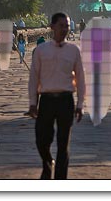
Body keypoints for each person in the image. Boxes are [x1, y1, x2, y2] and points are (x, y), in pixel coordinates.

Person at [27, 13, 86, 180]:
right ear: (52, 27)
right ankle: (47, 163)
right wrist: (33, 103)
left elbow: (80, 78)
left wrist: (80, 104)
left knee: (63, 142)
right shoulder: (41, 50)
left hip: (65, 99)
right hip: (46, 99)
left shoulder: (74, 50)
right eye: (61, 26)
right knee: (42, 139)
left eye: (67, 26)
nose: (65, 29)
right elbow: (34, 78)